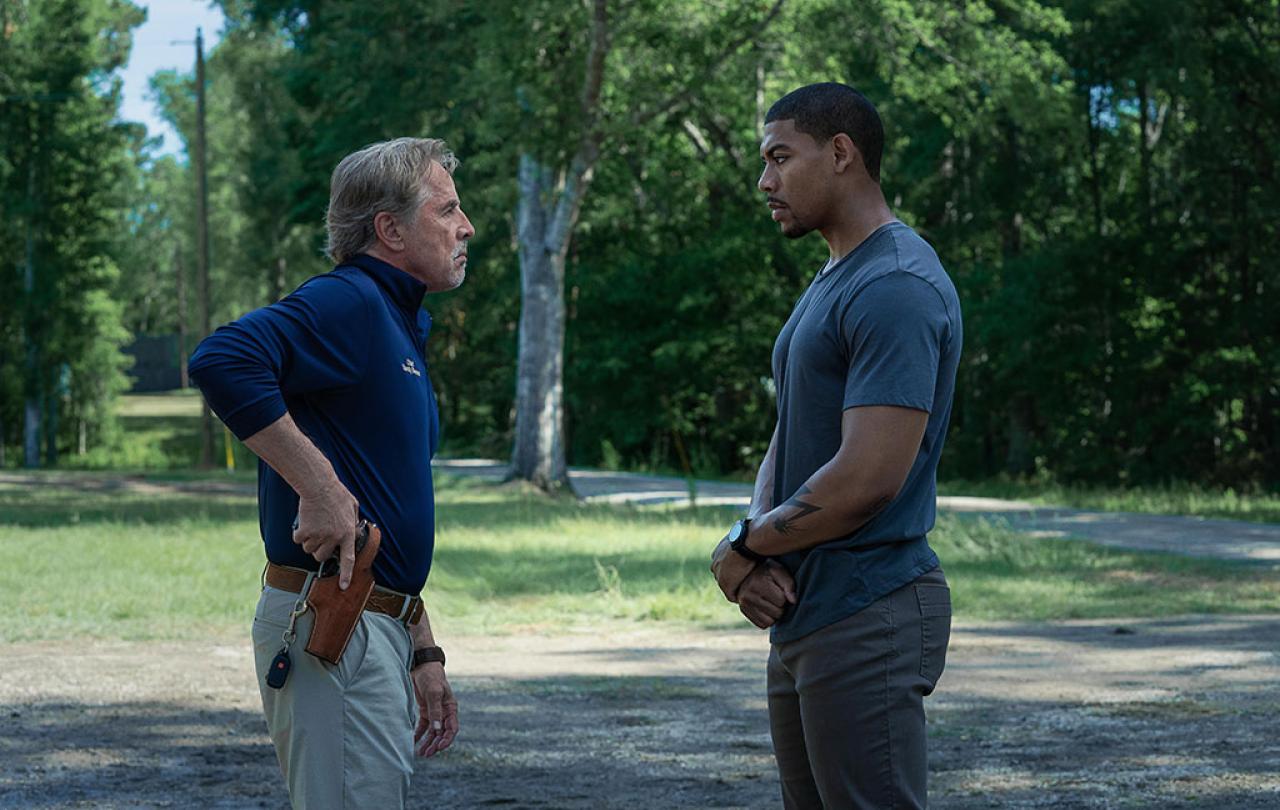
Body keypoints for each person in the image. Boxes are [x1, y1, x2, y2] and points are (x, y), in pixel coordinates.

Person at [188, 137, 474, 809]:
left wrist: (422, 648)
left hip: (375, 622)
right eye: (448, 209)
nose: (466, 227)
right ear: (390, 229)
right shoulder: (351, 302)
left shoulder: (399, 324)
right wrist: (317, 486)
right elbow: (221, 359)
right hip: (333, 628)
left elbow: (385, 500)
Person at [710, 83, 962, 809]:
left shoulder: (896, 283)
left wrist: (744, 546)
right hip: (809, 609)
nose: (765, 181)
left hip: (868, 607)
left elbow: (868, 477)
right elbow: (790, 432)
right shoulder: (836, 276)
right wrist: (752, 546)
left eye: (780, 158)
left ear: (842, 153)